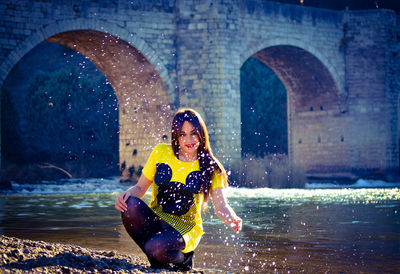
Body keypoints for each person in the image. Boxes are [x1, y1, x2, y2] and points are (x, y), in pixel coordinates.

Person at [115, 108, 242, 271]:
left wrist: (232, 218)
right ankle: (156, 258)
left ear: (202, 133)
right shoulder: (161, 152)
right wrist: (126, 195)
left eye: (194, 133)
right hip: (158, 218)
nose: (189, 139)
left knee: (155, 247)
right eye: (182, 134)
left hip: (185, 227)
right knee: (130, 205)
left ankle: (183, 259)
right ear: (176, 136)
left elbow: (221, 206)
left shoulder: (211, 166)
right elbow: (140, 187)